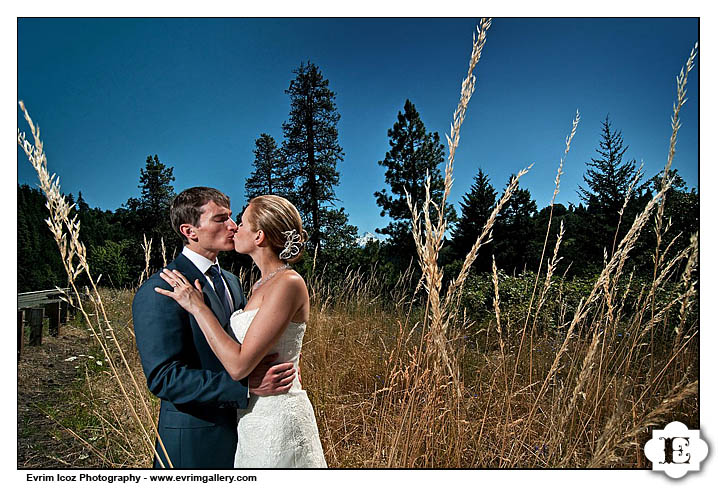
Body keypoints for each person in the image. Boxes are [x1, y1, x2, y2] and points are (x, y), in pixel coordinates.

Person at [155, 194, 327, 468]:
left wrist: (198, 308)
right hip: (251, 419)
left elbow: (238, 366)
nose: (235, 227)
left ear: (259, 237)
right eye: (226, 219)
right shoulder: (256, 285)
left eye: (242, 223)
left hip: (277, 417)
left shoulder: (288, 283)